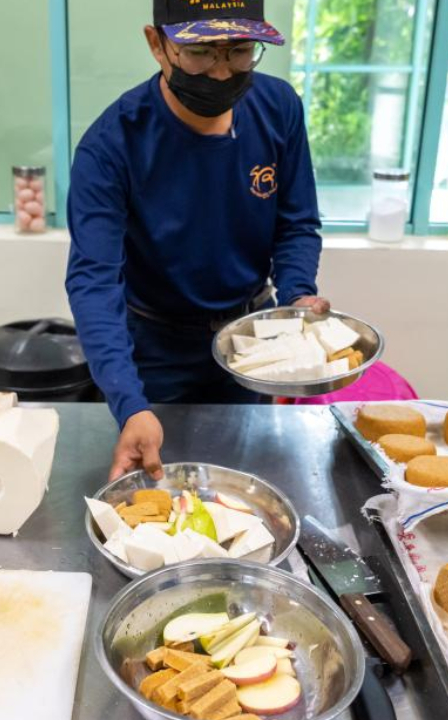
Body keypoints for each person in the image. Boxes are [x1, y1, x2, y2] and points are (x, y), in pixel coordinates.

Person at [65, 0, 330, 482]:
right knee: (162, 495)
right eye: (202, 52)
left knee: (246, 482)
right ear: (156, 44)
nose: (222, 72)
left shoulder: (278, 108)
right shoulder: (112, 145)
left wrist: (295, 296)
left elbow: (296, 224)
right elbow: (94, 282)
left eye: (240, 50)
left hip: (251, 339)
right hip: (155, 351)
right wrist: (129, 405)